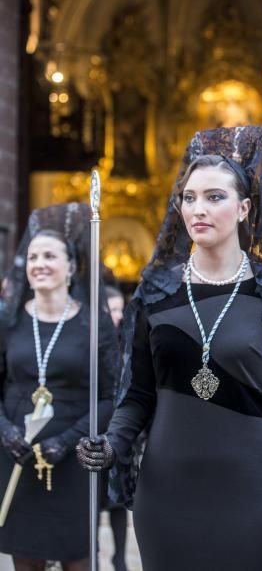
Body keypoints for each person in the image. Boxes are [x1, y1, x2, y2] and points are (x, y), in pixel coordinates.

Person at [77, 125, 262, 571]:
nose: (198, 208)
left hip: (256, 488)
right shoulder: (155, 291)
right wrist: (112, 444)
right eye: (189, 197)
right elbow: (138, 396)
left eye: (215, 197)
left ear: (244, 208)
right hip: (168, 491)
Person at [0, 202, 118, 571]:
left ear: (71, 267)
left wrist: (65, 442)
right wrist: (5, 432)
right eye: (33, 256)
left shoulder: (94, 324)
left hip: (73, 460)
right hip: (16, 454)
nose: (39, 264)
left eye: (49, 255)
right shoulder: (9, 321)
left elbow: (110, 396)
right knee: (26, 558)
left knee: (78, 559)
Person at [103, 285, 129, 571]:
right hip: (96, 426)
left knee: (118, 501)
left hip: (121, 430)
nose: (119, 315)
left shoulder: (127, 339)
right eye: (113, 309)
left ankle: (120, 558)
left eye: (121, 308)